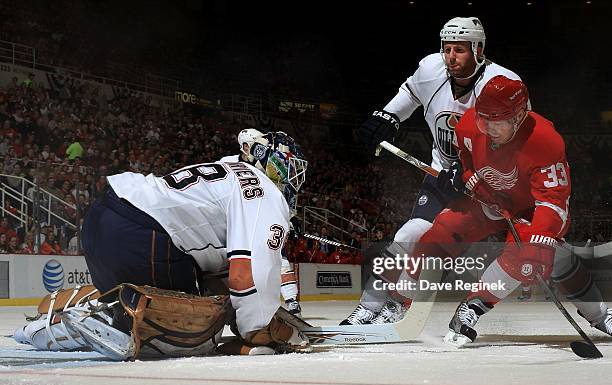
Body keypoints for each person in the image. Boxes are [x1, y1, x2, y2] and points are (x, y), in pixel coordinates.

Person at [16, 131, 309, 358]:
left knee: (197, 297)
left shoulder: (230, 169)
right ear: (273, 163)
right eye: (291, 168)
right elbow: (246, 277)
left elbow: (218, 271)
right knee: (200, 333)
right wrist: (260, 329)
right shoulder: (266, 192)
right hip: (142, 235)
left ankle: (58, 320)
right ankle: (109, 321)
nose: (294, 178)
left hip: (104, 216)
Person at [342, 16, 526, 325]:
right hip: (442, 175)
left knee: (536, 245)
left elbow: (518, 141)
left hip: (492, 184)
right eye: (446, 49)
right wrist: (388, 117)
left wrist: (476, 172)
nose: (450, 57)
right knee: (409, 234)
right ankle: (373, 307)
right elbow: (411, 93)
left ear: (478, 50)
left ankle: (596, 311)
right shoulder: (431, 69)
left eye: (460, 50)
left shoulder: (502, 83)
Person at [416, 75, 611, 345]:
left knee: (530, 256)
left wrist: (541, 235)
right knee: (444, 229)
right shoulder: (469, 125)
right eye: (484, 119)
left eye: (497, 122)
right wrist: (468, 176)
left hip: (532, 209)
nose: (488, 129)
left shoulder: (545, 140)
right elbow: (466, 157)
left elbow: (553, 201)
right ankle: (394, 302)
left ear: (519, 117)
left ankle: (472, 306)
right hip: (490, 200)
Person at [221, 128, 303, 317]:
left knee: (279, 258)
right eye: (261, 144)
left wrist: (290, 218)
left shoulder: (269, 166)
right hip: (238, 221)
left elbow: (283, 194)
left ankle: (292, 303)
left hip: (261, 219)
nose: (267, 147)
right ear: (247, 146)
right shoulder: (229, 163)